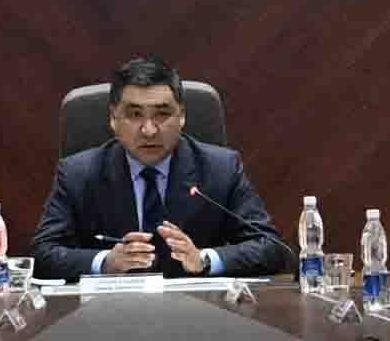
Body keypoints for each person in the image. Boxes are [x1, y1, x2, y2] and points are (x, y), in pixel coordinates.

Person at [50, 66, 282, 279]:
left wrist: (203, 259)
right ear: (113, 118)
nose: (149, 130)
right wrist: (105, 262)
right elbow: (44, 253)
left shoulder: (221, 168)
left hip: (199, 307)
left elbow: (271, 248)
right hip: (107, 306)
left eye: (161, 114)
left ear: (182, 116)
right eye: (135, 114)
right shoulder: (77, 174)